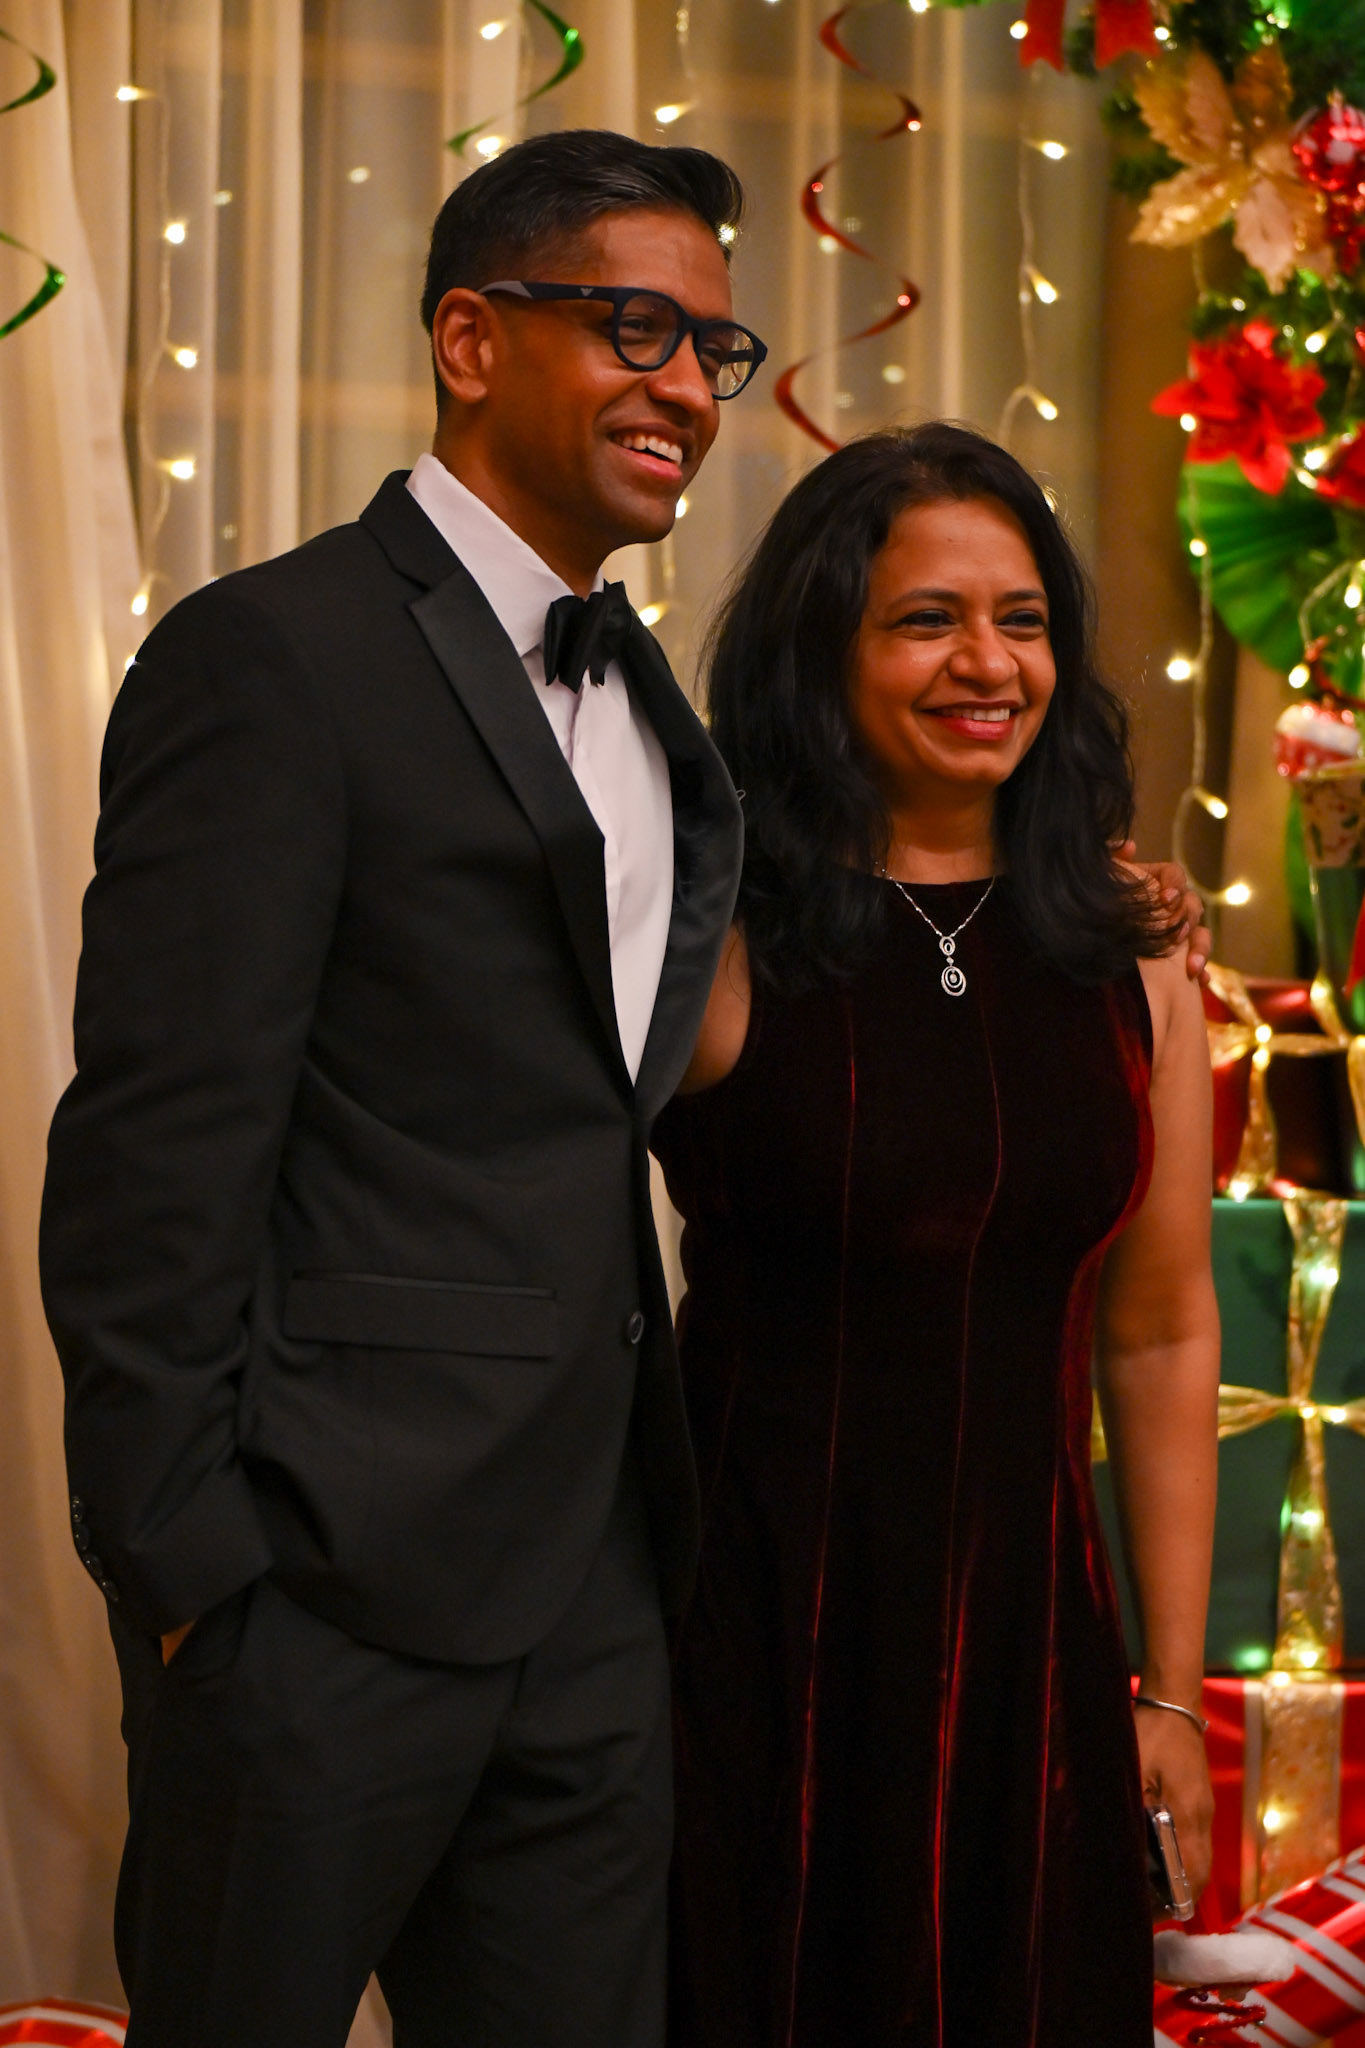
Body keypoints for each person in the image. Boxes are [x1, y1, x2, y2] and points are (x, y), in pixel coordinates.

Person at [38, 129, 757, 2046]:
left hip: (593, 1600)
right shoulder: (272, 656)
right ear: (468, 338)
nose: (688, 386)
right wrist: (190, 1579)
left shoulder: (658, 715)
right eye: (635, 328)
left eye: (712, 348)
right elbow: (152, 1157)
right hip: (312, 1605)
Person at [652, 423, 1220, 2048]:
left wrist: (1167, 1695)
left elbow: (1161, 1329)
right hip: (749, 1648)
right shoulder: (710, 934)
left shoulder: (1135, 954)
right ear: (820, 653)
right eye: (926, 620)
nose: (988, 664)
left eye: (1021, 620)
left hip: (1035, 1650)